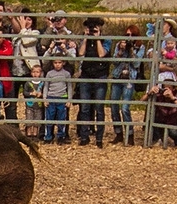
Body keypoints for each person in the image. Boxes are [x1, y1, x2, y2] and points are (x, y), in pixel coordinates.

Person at [77, 17, 111, 148]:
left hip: (100, 75)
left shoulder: (106, 40)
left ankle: (99, 138)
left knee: (99, 108)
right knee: (85, 108)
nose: (92, 29)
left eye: (95, 26)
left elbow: (102, 54)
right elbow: (80, 53)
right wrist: (86, 38)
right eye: (90, 27)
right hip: (86, 75)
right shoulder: (85, 38)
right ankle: (84, 137)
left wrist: (97, 39)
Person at [109, 24, 145, 146]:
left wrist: (130, 50)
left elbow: (136, 64)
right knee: (113, 106)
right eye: (127, 35)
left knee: (125, 108)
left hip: (130, 79)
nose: (129, 37)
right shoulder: (120, 45)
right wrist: (120, 50)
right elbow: (114, 62)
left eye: (132, 35)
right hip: (117, 77)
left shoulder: (140, 47)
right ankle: (118, 133)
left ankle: (130, 135)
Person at [140, 81, 177, 147]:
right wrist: (149, 92)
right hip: (161, 123)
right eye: (165, 88)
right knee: (151, 123)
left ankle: (173, 140)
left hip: (175, 123)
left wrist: (172, 97)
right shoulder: (159, 94)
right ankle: (160, 140)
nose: (166, 90)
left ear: (173, 89)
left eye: (169, 88)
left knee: (174, 133)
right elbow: (141, 101)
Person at [42, 58, 72, 144]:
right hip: (51, 97)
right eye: (55, 63)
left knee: (61, 118)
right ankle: (48, 137)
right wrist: (45, 98)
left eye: (59, 62)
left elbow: (69, 87)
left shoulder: (66, 74)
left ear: (63, 63)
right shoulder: (49, 74)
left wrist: (69, 100)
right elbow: (46, 86)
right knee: (49, 118)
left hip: (62, 98)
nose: (57, 64)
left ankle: (61, 136)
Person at [23, 64, 44, 139]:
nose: (35, 74)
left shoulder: (42, 83)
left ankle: (35, 134)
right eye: (34, 72)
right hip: (29, 105)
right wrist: (31, 93)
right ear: (31, 73)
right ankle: (28, 133)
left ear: (40, 73)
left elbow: (44, 92)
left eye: (37, 72)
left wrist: (41, 94)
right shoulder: (28, 83)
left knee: (37, 120)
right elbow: (24, 92)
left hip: (39, 105)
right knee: (29, 119)